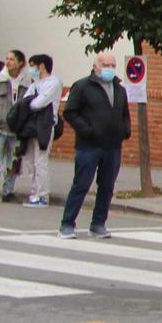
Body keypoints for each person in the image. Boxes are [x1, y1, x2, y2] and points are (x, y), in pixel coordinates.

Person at [57, 51, 129, 239]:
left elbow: (124, 114)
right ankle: (67, 224)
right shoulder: (82, 86)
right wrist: (88, 130)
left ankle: (98, 224)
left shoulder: (119, 89)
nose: (110, 69)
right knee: (81, 184)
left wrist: (125, 130)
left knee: (107, 187)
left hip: (113, 146)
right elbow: (70, 112)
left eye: (113, 65)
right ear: (95, 66)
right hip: (89, 146)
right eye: (106, 65)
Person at [17, 54, 61, 207]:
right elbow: (25, 100)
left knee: (41, 160)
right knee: (30, 161)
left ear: (41, 66)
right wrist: (28, 103)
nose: (32, 69)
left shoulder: (53, 82)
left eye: (33, 65)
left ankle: (42, 196)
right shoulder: (35, 83)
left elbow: (38, 103)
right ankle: (34, 193)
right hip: (31, 127)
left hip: (45, 126)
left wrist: (29, 104)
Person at [0, 49, 24, 201]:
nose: (8, 62)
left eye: (12, 59)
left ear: (20, 63)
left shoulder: (26, 83)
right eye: (7, 58)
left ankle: (8, 191)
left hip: (17, 130)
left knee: (14, 161)